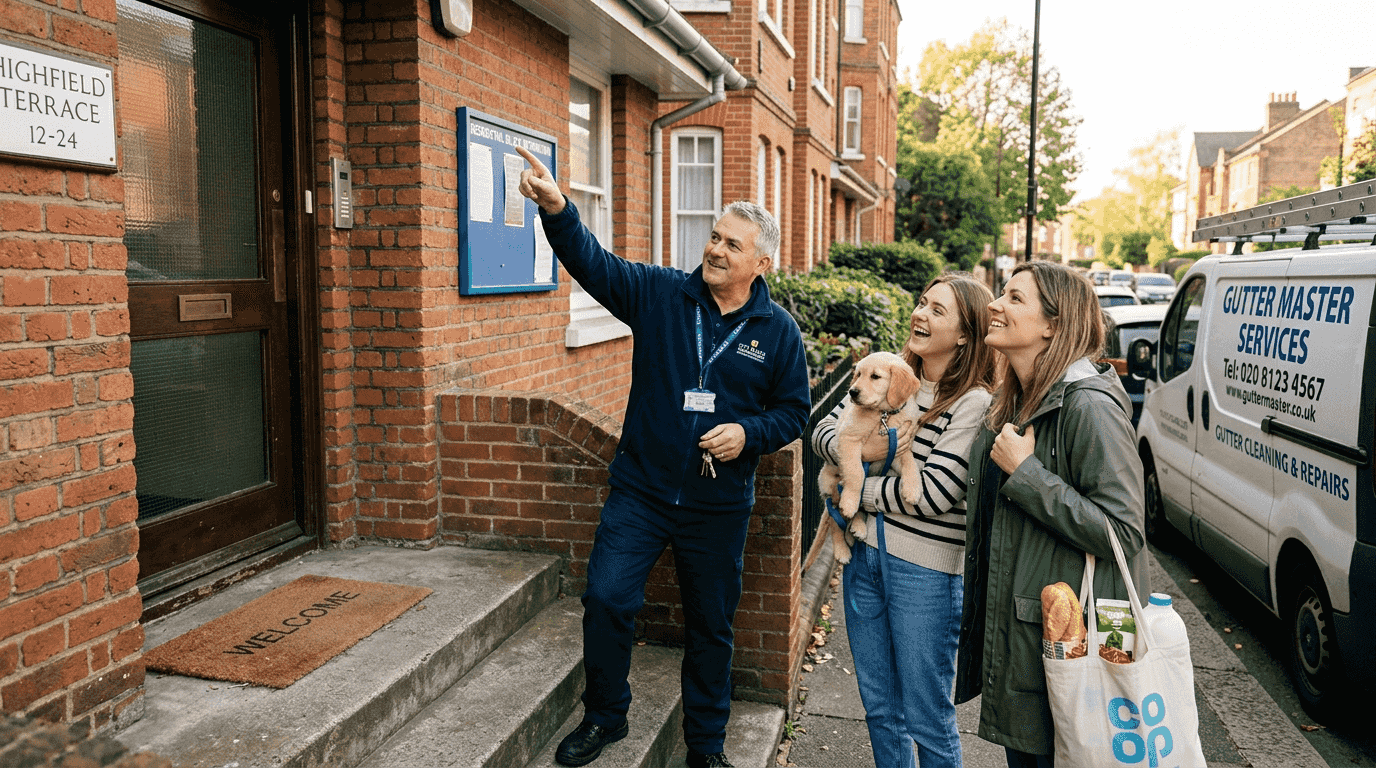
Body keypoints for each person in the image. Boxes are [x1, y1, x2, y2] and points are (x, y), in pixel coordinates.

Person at [514, 146, 811, 768]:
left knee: (711, 629)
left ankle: (705, 748)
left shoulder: (778, 331)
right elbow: (594, 264)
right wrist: (558, 210)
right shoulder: (660, 293)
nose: (715, 249)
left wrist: (748, 434)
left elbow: (793, 412)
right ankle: (605, 716)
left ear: (761, 263)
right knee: (607, 599)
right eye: (714, 236)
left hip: (718, 505)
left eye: (732, 244)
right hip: (642, 493)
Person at [954, 260, 1147, 767]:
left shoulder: (1088, 406)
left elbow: (1123, 531)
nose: (995, 304)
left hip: (1073, 643)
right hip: (1031, 639)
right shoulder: (1015, 398)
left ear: (1053, 325)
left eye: (1015, 298)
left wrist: (1027, 475)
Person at [811, 274, 996, 768]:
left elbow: (934, 494)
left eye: (938, 310)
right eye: (922, 303)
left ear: (965, 334)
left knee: (927, 717)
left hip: (925, 575)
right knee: (879, 709)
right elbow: (823, 429)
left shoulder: (974, 402)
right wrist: (864, 450)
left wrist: (856, 492)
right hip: (865, 559)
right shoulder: (885, 373)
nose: (920, 314)